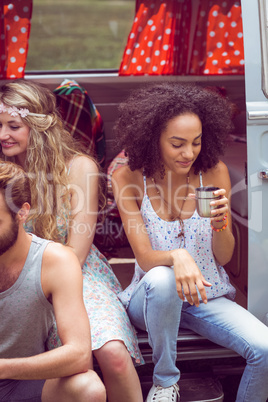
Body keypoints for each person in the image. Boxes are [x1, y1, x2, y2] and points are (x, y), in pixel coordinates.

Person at [111, 82, 268, 402]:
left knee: (265, 350)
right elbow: (143, 257)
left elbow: (222, 259)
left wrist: (221, 224)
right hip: (153, 298)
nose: (189, 153)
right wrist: (178, 257)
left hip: (204, 295)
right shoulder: (128, 177)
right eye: (177, 144)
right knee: (163, 277)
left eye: (196, 143)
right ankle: (165, 381)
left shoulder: (213, 172)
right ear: (152, 139)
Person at [0, 80, 143, 402]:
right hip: (19, 274)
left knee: (113, 355)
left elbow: (76, 251)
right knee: (68, 370)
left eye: (13, 126)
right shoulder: (3, 174)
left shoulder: (80, 168)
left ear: (39, 126)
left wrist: (50, 280)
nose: (3, 135)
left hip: (76, 272)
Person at [0, 161, 106, 402]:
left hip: (22, 382)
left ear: (22, 213)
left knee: (89, 387)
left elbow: (79, 355)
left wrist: (3, 368)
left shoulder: (55, 261)